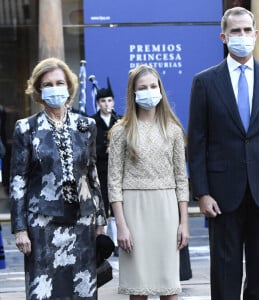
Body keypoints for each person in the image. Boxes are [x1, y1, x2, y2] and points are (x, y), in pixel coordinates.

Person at [187, 7, 259, 300]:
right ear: (224, 36)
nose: (242, 36)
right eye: (236, 31)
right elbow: (197, 143)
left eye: (247, 30)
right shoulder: (205, 82)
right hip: (222, 195)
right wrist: (202, 193)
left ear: (256, 34)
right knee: (224, 270)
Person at [10, 57, 106, 299]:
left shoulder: (87, 125)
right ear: (39, 91)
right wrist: (20, 228)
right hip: (42, 223)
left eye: (59, 82)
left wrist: (101, 220)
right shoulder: (26, 128)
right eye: (48, 84)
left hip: (82, 221)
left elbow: (93, 175)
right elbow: (18, 181)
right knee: (45, 291)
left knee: (82, 289)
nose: (55, 88)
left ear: (69, 87)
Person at [108, 64, 189, 299]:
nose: (149, 91)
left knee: (169, 287)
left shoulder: (173, 130)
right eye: (142, 87)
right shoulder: (121, 132)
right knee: (138, 288)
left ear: (161, 89)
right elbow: (113, 182)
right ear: (133, 93)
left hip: (166, 209)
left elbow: (181, 179)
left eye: (153, 86)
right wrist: (121, 226)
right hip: (133, 211)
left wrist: (184, 222)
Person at [92, 77, 122, 257]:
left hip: (118, 171)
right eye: (103, 101)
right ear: (98, 103)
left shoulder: (120, 120)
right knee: (104, 207)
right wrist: (105, 149)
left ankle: (119, 240)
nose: (106, 104)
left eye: (109, 100)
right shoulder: (92, 121)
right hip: (101, 171)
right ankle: (107, 240)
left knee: (118, 204)